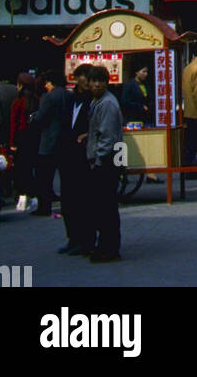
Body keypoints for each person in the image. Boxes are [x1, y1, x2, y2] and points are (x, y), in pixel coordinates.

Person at [85, 65, 123, 263]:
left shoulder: (107, 103)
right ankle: (106, 245)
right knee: (103, 206)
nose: (97, 84)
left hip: (106, 162)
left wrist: (98, 159)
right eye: (94, 81)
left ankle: (109, 248)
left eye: (101, 81)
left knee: (106, 207)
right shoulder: (98, 101)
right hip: (105, 159)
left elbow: (107, 137)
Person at [58, 63, 93, 256]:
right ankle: (72, 237)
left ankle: (85, 240)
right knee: (68, 200)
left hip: (83, 157)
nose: (87, 82)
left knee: (83, 201)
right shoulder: (70, 100)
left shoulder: (93, 101)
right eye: (84, 77)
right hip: (67, 155)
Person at [32, 67, 68, 215]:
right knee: (66, 178)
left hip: (48, 142)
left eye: (47, 82)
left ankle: (44, 207)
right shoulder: (69, 95)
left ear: (51, 82)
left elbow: (40, 118)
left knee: (44, 178)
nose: (45, 85)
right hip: (65, 141)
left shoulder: (48, 97)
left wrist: (33, 119)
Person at [9, 71, 39, 211]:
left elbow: (13, 124)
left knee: (21, 169)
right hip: (33, 138)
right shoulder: (36, 100)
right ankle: (34, 197)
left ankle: (22, 197)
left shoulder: (18, 101)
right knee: (30, 168)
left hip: (20, 138)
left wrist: (12, 143)